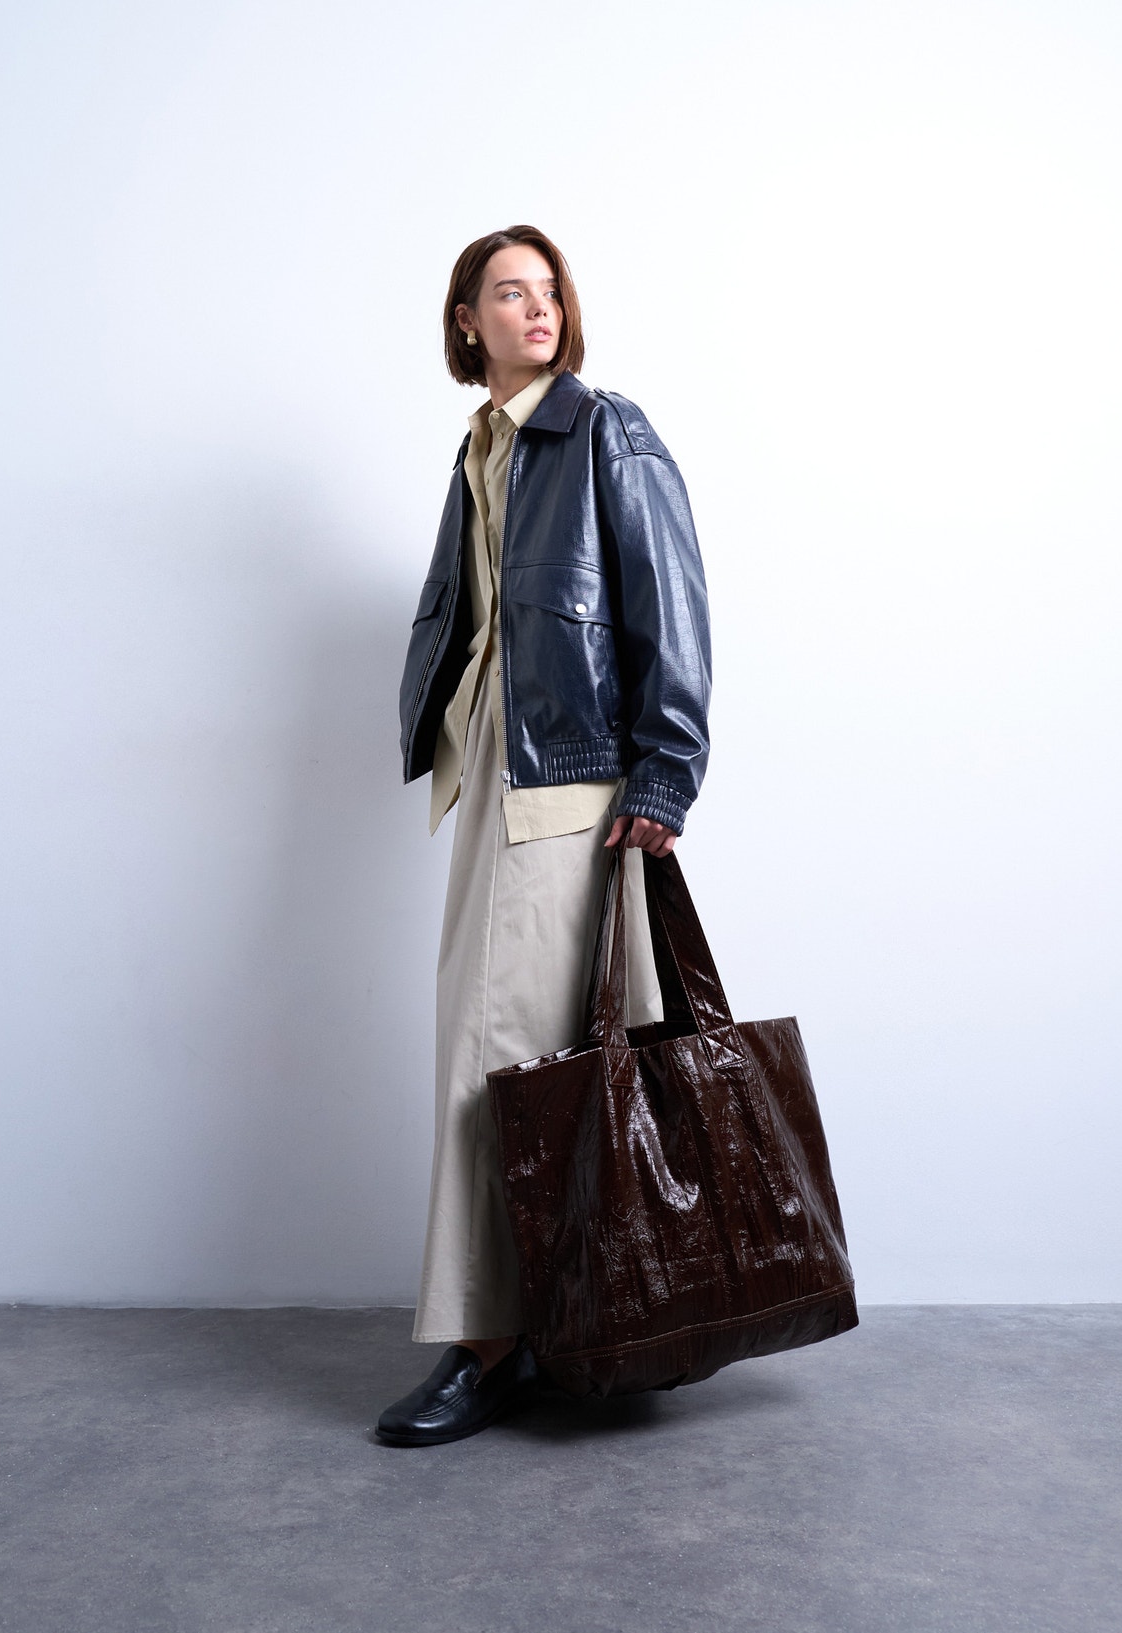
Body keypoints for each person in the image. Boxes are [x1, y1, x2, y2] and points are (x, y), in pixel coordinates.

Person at [378, 226, 712, 1447]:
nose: (537, 308)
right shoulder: (485, 445)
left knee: (496, 1061)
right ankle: (578, 1319)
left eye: (549, 291)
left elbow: (670, 603)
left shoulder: (602, 430)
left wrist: (666, 770)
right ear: (465, 320)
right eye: (508, 293)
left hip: (565, 787)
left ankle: (487, 1344)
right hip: (496, 780)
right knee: (542, 1063)